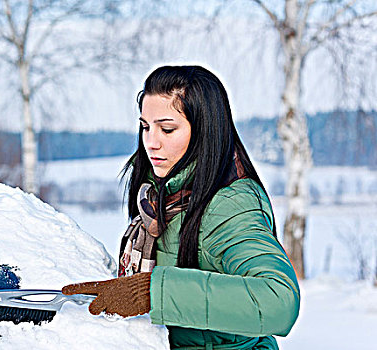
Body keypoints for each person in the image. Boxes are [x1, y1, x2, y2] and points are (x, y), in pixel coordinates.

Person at [63, 65, 300, 349]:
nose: (151, 142)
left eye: (167, 129)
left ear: (204, 131)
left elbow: (279, 300)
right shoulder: (159, 194)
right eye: (145, 127)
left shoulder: (229, 205)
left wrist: (154, 294)